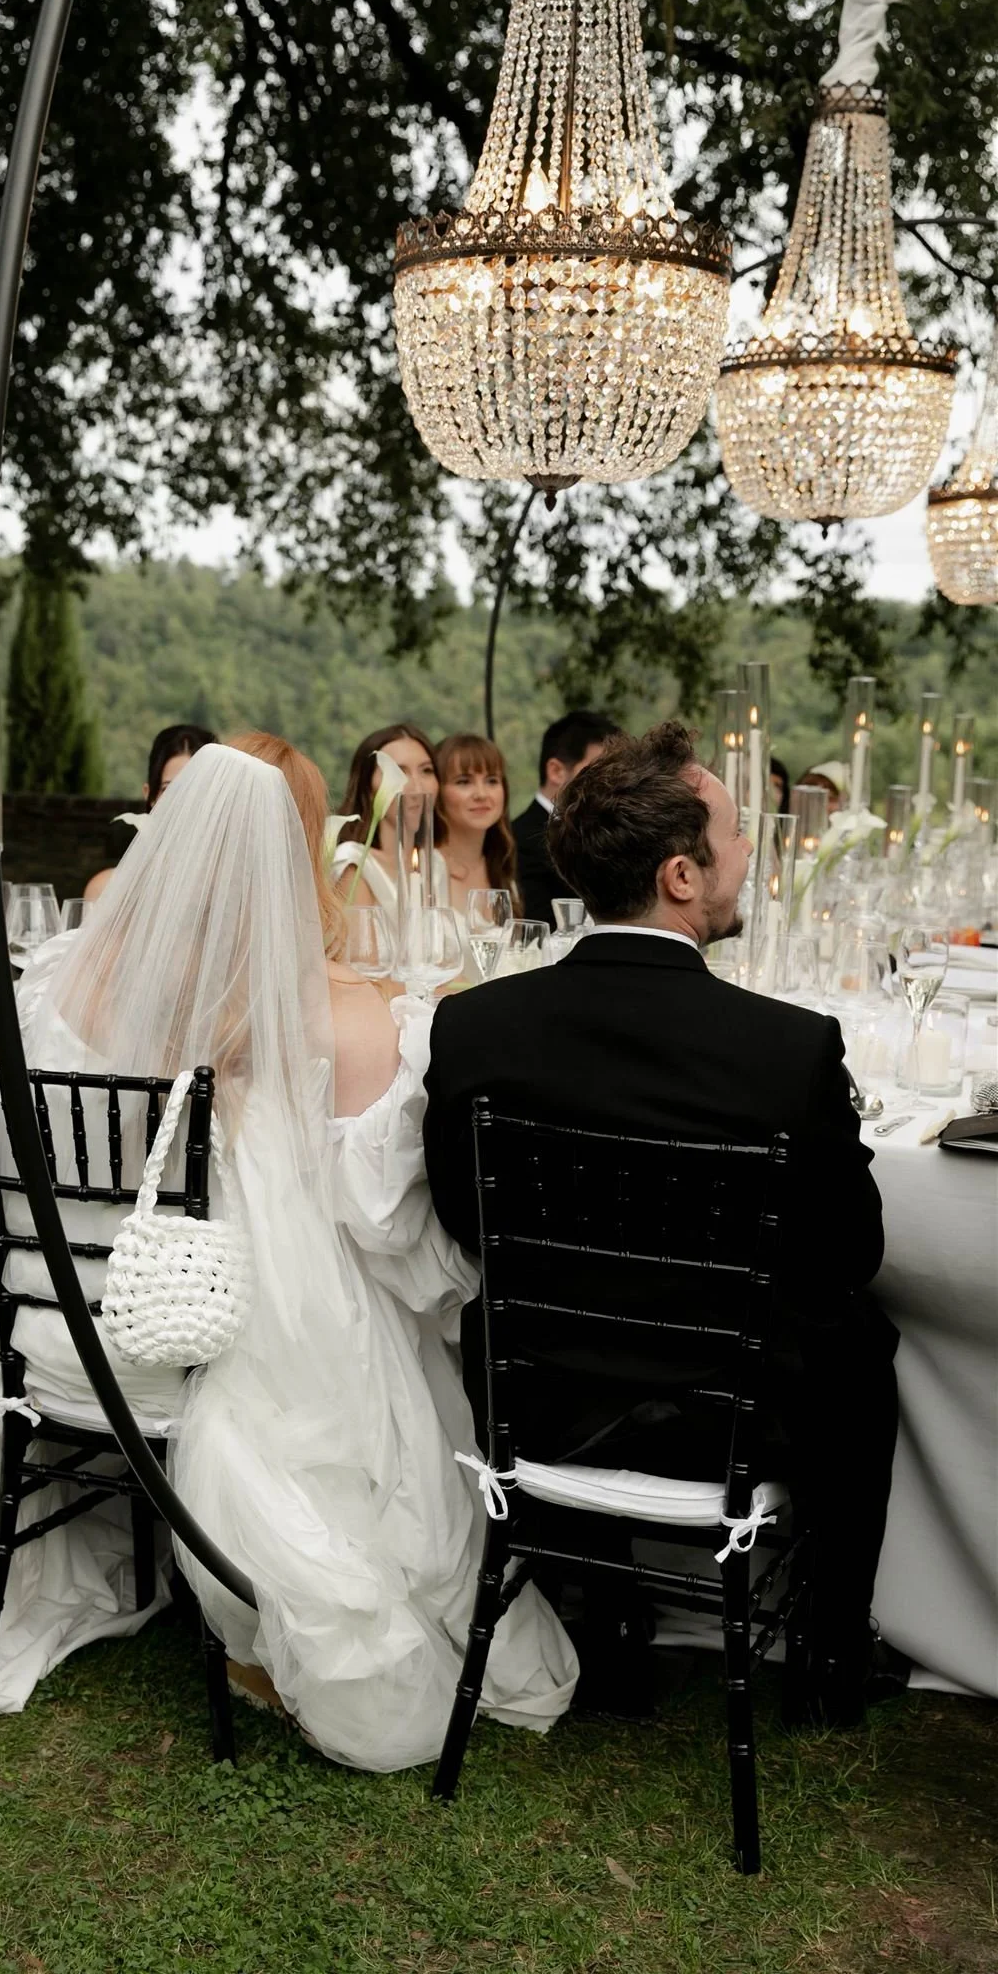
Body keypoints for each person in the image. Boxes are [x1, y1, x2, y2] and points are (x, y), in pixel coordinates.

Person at [0, 741, 574, 1771]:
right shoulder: (322, 1011)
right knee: (365, 1320)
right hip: (196, 1328)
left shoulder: (75, 978)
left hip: (56, 1317)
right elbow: (383, 1214)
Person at [424, 721, 899, 1725]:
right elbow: (850, 1251)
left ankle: (601, 1609)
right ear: (680, 875)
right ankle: (828, 1650)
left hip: (538, 1393)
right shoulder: (787, 1049)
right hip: (723, 1414)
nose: (745, 860)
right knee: (860, 1338)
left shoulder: (473, 1026)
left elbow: (463, 1217)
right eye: (732, 841)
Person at [82, 722, 216, 902]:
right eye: (170, 790)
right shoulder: (105, 890)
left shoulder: (228, 893)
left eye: (196, 790)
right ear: (149, 795)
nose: (184, 802)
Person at [512, 709, 619, 924]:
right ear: (556, 771)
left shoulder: (608, 833)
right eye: (598, 771)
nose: (611, 782)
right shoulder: (520, 839)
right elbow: (537, 928)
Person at [331, 724, 449, 909]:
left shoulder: (435, 864)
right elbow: (359, 937)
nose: (417, 788)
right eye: (399, 772)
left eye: (426, 771)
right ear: (369, 788)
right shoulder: (354, 862)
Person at [434, 733, 522, 919]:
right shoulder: (424, 871)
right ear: (437, 792)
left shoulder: (502, 869)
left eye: (492, 781)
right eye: (464, 782)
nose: (481, 794)